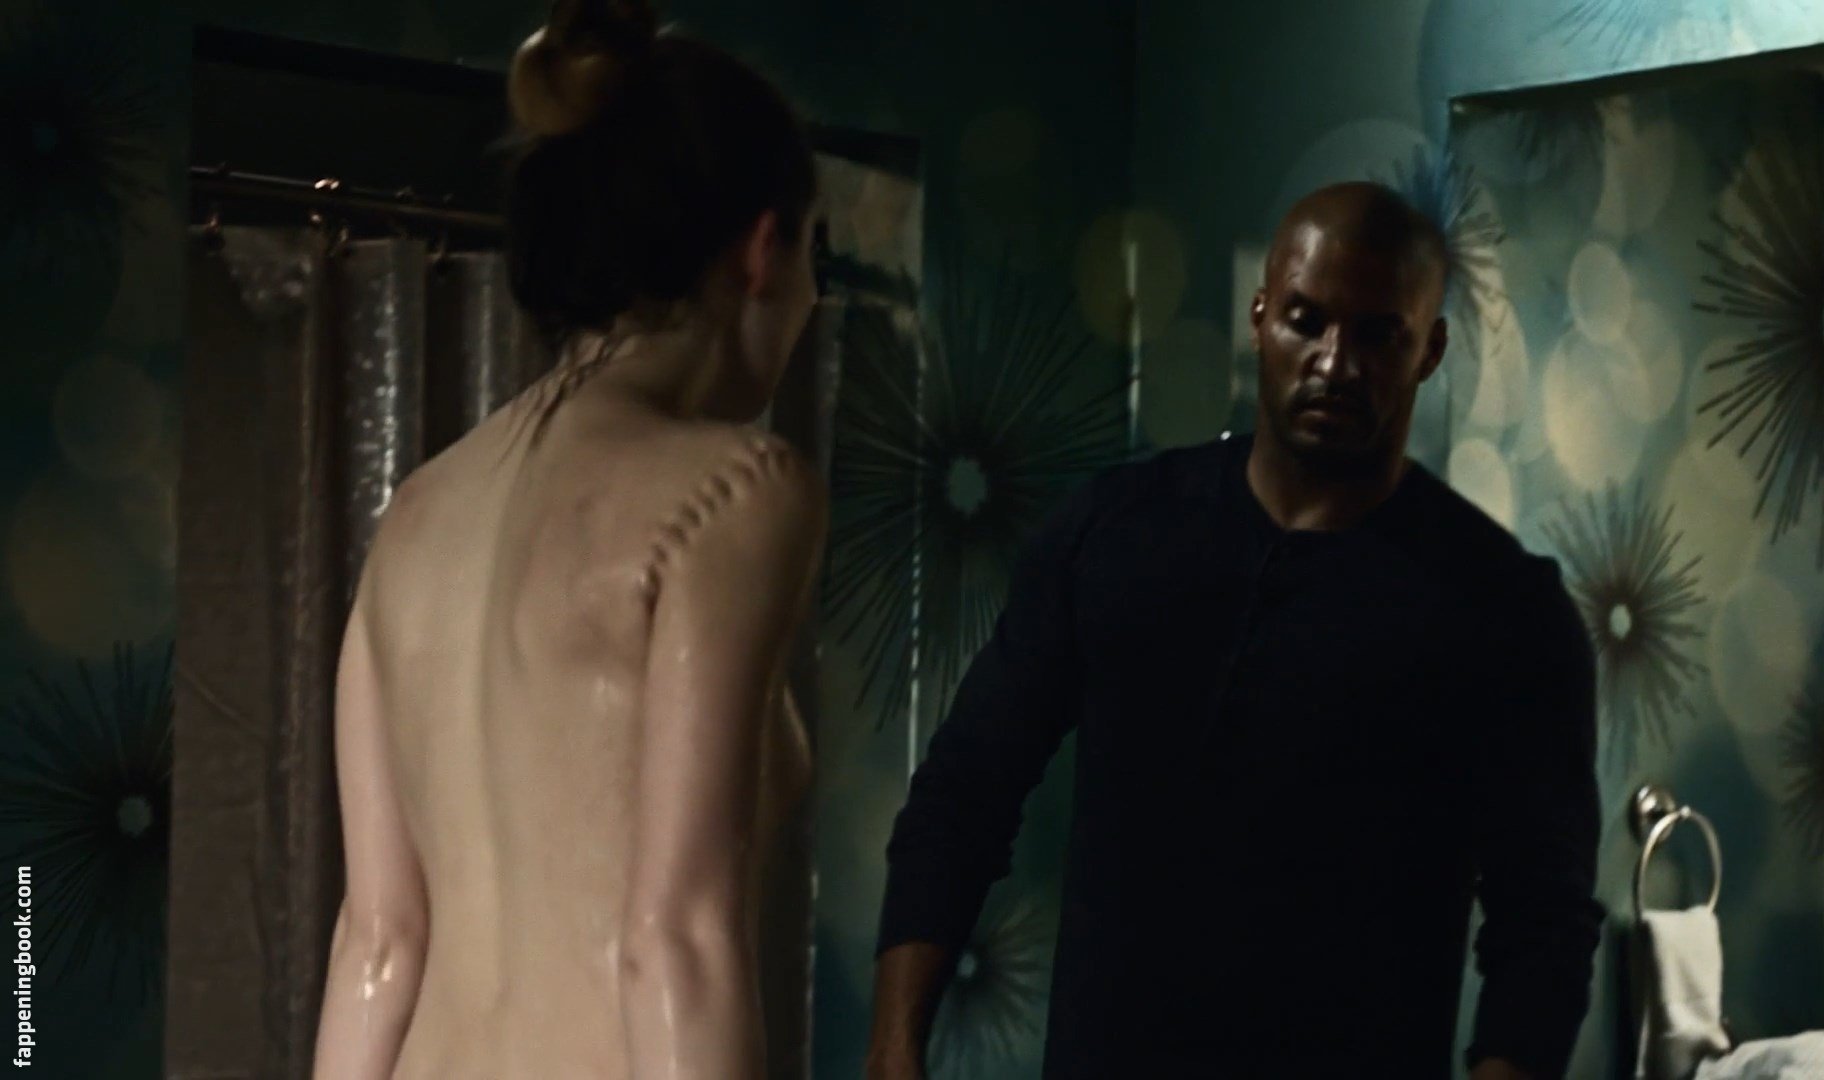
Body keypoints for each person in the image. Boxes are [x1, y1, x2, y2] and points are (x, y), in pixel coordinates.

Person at [866, 182, 1604, 1080]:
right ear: (1260, 317)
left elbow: (1544, 925)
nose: (1335, 363)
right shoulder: (1115, 532)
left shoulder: (1501, 608)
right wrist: (893, 1050)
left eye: (1377, 334)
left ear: (1430, 350)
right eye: (1307, 320)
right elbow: (964, 792)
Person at [309, 2, 825, 1077]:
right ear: (763, 249)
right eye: (813, 254)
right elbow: (677, 941)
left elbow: (378, 942)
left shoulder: (416, 517)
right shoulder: (738, 492)